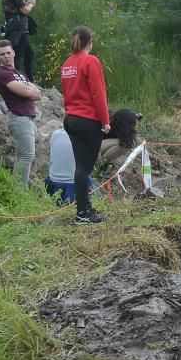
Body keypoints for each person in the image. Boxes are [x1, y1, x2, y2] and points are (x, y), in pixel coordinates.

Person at [61, 26, 110, 225]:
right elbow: (98, 94)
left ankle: (86, 208)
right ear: (90, 41)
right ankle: (83, 213)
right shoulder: (91, 61)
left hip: (71, 119)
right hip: (87, 120)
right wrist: (105, 121)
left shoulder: (67, 63)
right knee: (84, 169)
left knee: (80, 167)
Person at [0, 40, 41, 186]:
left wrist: (30, 92)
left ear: (14, 53)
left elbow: (38, 94)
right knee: (26, 156)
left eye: (8, 52)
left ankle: (17, 189)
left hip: (28, 118)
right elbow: (27, 91)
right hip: (19, 118)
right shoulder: (3, 74)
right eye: (3, 54)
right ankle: (20, 191)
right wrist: (29, 91)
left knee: (24, 156)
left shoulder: (19, 73)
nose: (6, 56)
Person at [0, 0, 37, 81]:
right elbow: (24, 10)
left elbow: (16, 9)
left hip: (14, 28)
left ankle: (28, 79)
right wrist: (31, 4)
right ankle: (17, 80)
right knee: (17, 56)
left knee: (28, 53)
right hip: (19, 29)